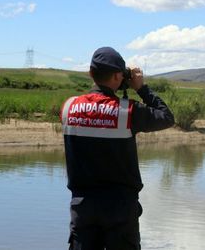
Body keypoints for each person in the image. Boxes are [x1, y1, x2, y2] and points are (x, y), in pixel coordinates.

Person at [61, 47, 175, 250]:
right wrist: (141, 88)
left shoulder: (69, 107)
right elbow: (166, 117)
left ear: (90, 73)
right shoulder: (128, 111)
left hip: (82, 206)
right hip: (120, 208)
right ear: (117, 76)